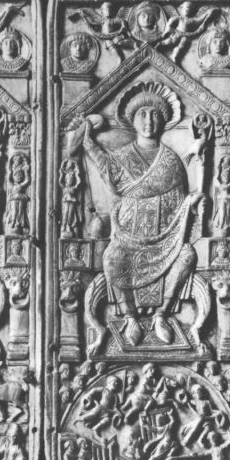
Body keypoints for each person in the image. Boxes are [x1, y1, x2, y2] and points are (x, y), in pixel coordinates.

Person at [82, 82, 205, 346]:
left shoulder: (171, 161)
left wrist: (191, 203)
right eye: (143, 114)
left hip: (164, 236)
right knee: (111, 258)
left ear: (163, 121)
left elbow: (180, 203)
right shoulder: (121, 157)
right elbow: (102, 162)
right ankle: (131, 318)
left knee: (187, 255)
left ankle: (162, 315)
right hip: (128, 235)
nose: (149, 121)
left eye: (155, 115)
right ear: (133, 120)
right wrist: (87, 137)